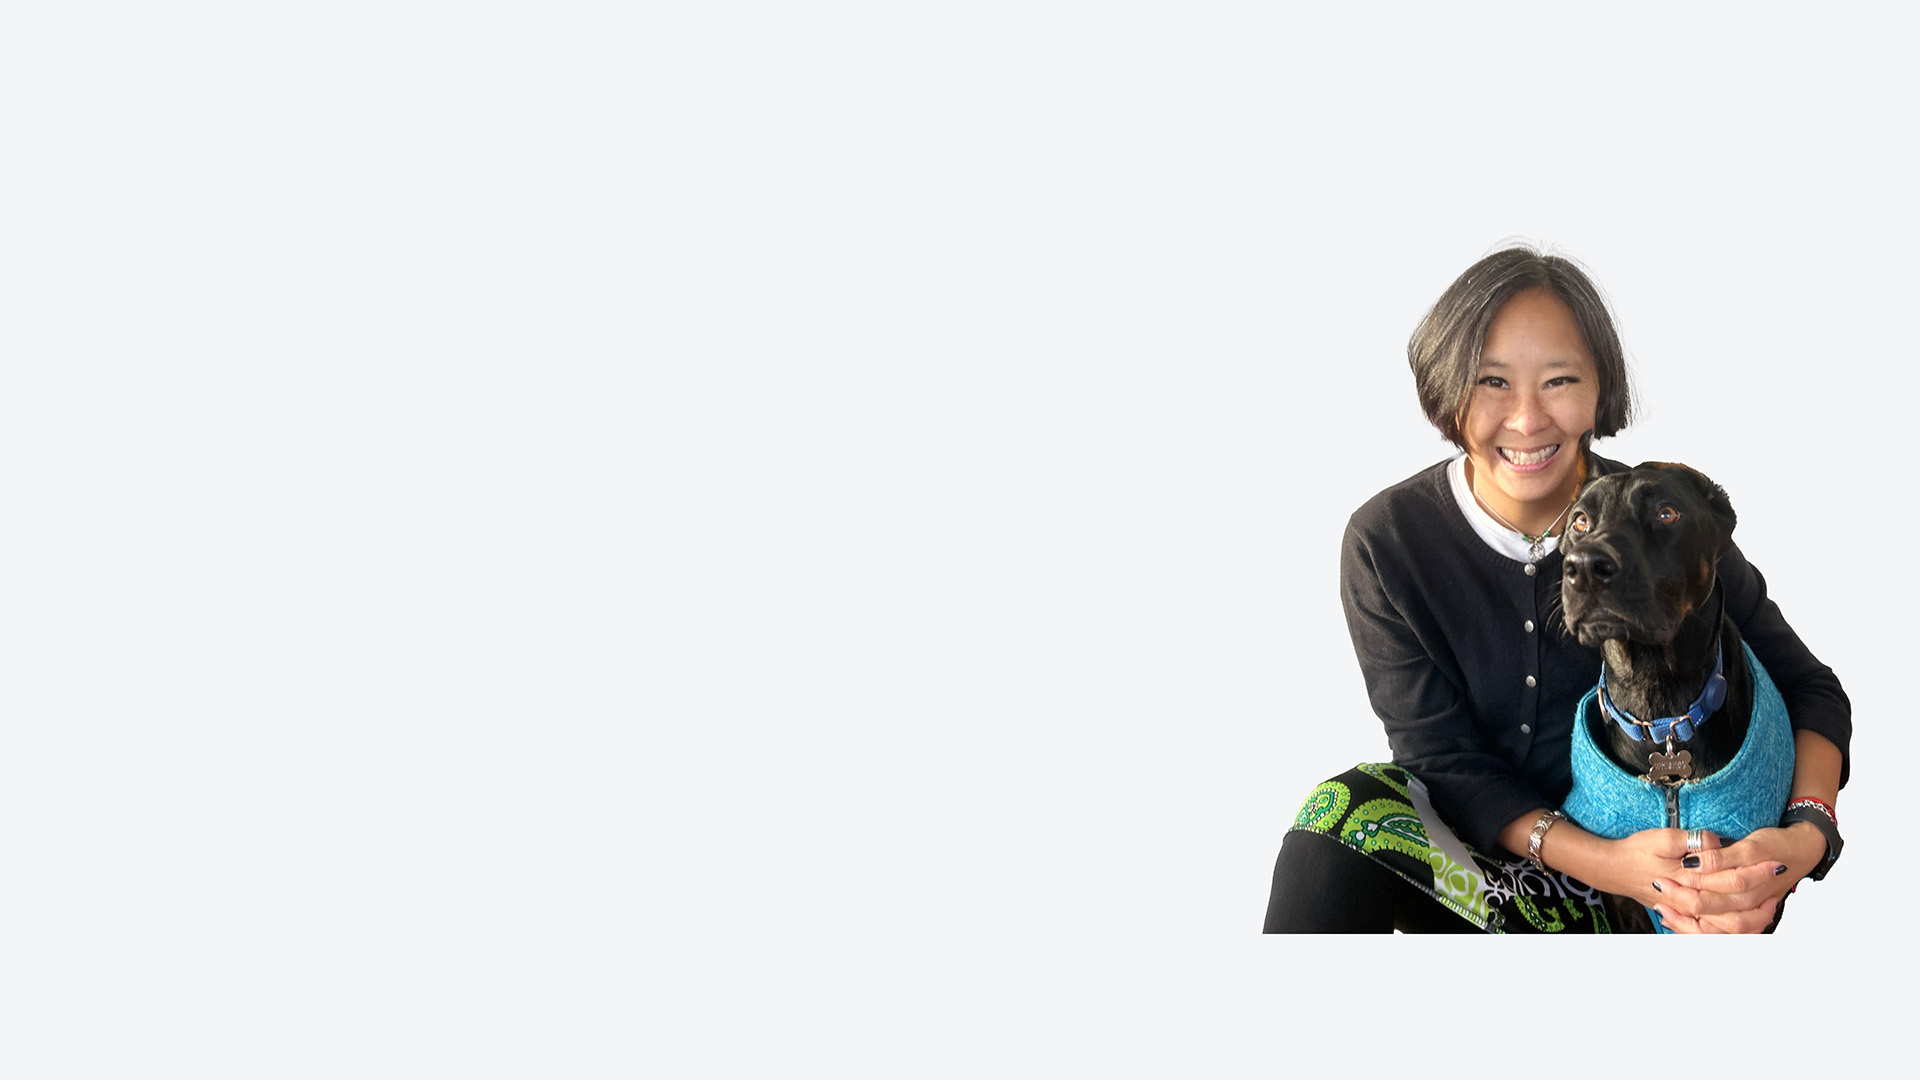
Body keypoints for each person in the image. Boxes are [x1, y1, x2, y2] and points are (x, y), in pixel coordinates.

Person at [1262, 246, 1850, 934]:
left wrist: (1804, 839)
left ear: (1599, 388)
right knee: (1340, 817)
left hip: (1641, 903)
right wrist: (1609, 862)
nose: (1527, 418)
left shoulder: (1665, 520)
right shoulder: (1388, 542)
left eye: (1559, 380)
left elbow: (1810, 688)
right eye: (1492, 381)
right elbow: (1439, 758)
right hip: (1482, 874)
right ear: (1447, 388)